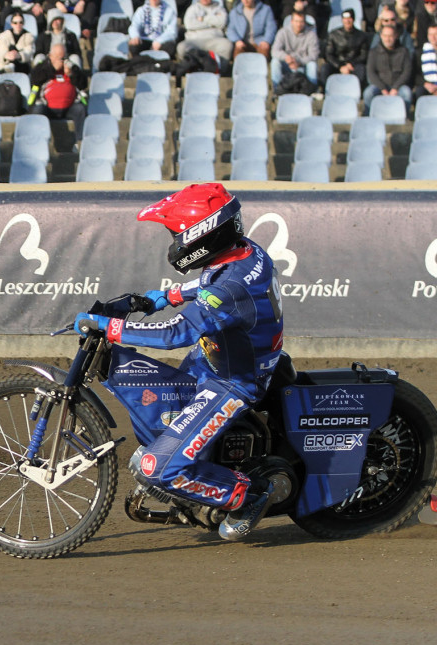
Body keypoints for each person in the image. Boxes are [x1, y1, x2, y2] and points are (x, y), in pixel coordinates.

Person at [73, 183, 283, 542]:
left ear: (203, 236)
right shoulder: (244, 252)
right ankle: (197, 464)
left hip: (232, 382)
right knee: (160, 416)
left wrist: (113, 328)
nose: (174, 241)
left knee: (156, 468)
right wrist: (167, 295)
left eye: (177, 234)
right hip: (217, 356)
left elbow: (176, 334)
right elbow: (209, 285)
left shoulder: (228, 289)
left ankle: (248, 494)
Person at [28, 42, 88, 141]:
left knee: (80, 109)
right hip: (48, 107)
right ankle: (38, 142)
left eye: (63, 57)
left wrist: (72, 74)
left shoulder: (71, 67)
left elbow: (83, 83)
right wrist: (52, 69)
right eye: (57, 57)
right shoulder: (43, 66)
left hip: (69, 107)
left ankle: (80, 141)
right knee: (37, 111)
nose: (61, 60)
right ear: (50, 56)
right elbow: (35, 79)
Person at [364, 22, 413, 112]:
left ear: (396, 36)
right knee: (368, 93)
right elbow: (371, 72)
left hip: (398, 86)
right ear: (381, 36)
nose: (388, 39)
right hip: (379, 86)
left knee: (407, 92)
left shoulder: (404, 52)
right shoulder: (374, 52)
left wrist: (395, 87)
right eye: (385, 36)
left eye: (390, 36)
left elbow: (407, 72)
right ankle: (368, 116)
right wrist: (383, 88)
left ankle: (405, 118)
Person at [319, 8, 369, 88]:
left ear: (353, 20)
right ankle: (325, 90)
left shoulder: (361, 36)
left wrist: (351, 64)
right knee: (325, 68)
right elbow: (329, 54)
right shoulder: (334, 34)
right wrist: (340, 66)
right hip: (337, 64)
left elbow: (363, 55)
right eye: (345, 19)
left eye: (349, 19)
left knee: (361, 69)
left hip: (353, 65)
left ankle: (359, 90)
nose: (347, 21)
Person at [271, 11, 319, 90]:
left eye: (301, 22)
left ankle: (312, 90)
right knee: (275, 62)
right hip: (287, 63)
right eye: (296, 21)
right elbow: (274, 51)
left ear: (304, 22)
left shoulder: (311, 35)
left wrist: (299, 62)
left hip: (303, 63)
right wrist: (286, 57)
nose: (299, 24)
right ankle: (277, 90)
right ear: (292, 22)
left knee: (312, 65)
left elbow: (313, 55)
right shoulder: (283, 32)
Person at [0, 8, 34, 74]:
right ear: (11, 24)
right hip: (6, 63)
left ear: (23, 24)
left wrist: (19, 55)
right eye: (15, 23)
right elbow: (0, 52)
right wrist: (6, 55)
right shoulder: (4, 36)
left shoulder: (29, 36)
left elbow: (29, 51)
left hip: (22, 64)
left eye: (20, 22)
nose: (18, 25)